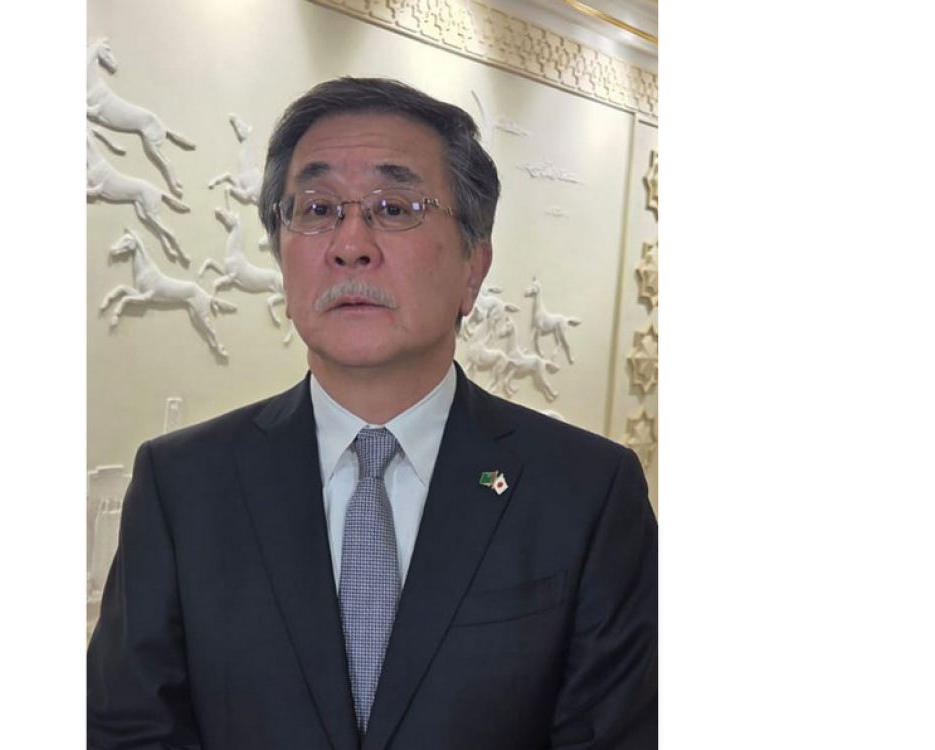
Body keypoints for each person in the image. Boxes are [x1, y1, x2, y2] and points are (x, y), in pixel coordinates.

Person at [87, 77, 657, 750]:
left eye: (394, 207)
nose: (349, 243)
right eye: (317, 208)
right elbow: (128, 731)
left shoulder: (588, 494)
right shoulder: (182, 485)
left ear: (473, 268)